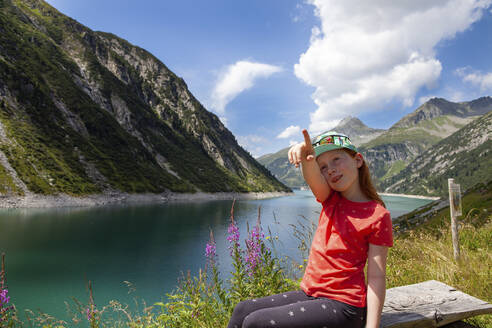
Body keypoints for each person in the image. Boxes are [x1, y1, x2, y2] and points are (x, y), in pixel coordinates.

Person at [226, 130, 393, 328]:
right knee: (242, 310)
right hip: (311, 294)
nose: (330, 169)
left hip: (344, 305)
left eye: (336, 159)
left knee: (256, 323)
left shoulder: (378, 215)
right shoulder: (330, 199)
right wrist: (306, 158)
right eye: (323, 166)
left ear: (358, 160)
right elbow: (313, 178)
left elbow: (376, 278)